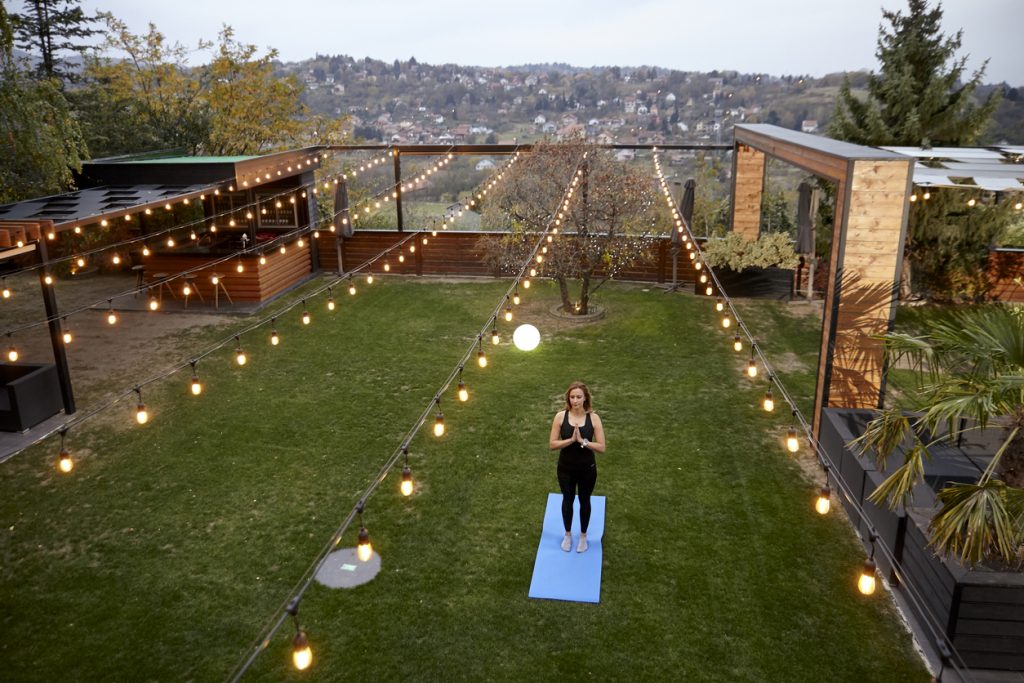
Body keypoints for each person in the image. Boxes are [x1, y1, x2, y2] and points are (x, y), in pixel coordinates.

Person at [548, 381, 605, 553]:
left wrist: (583, 442)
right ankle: (567, 534)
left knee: (584, 500)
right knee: (567, 499)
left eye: (579, 397)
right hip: (565, 469)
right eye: (572, 397)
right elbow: (552, 444)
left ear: (585, 398)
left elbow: (602, 447)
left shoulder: (593, 418)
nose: (575, 400)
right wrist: (571, 441)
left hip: (587, 469)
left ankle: (583, 536)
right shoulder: (560, 417)